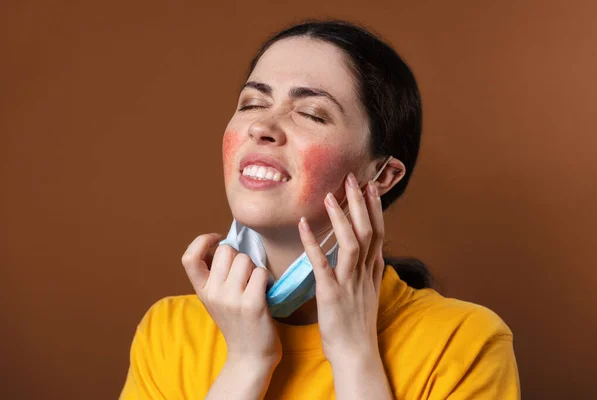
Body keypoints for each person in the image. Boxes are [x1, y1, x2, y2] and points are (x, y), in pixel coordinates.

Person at [120, 20, 520, 399]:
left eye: (312, 113)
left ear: (381, 176)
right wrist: (245, 362)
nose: (262, 125)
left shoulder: (464, 343)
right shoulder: (169, 332)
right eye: (252, 103)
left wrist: (353, 354)